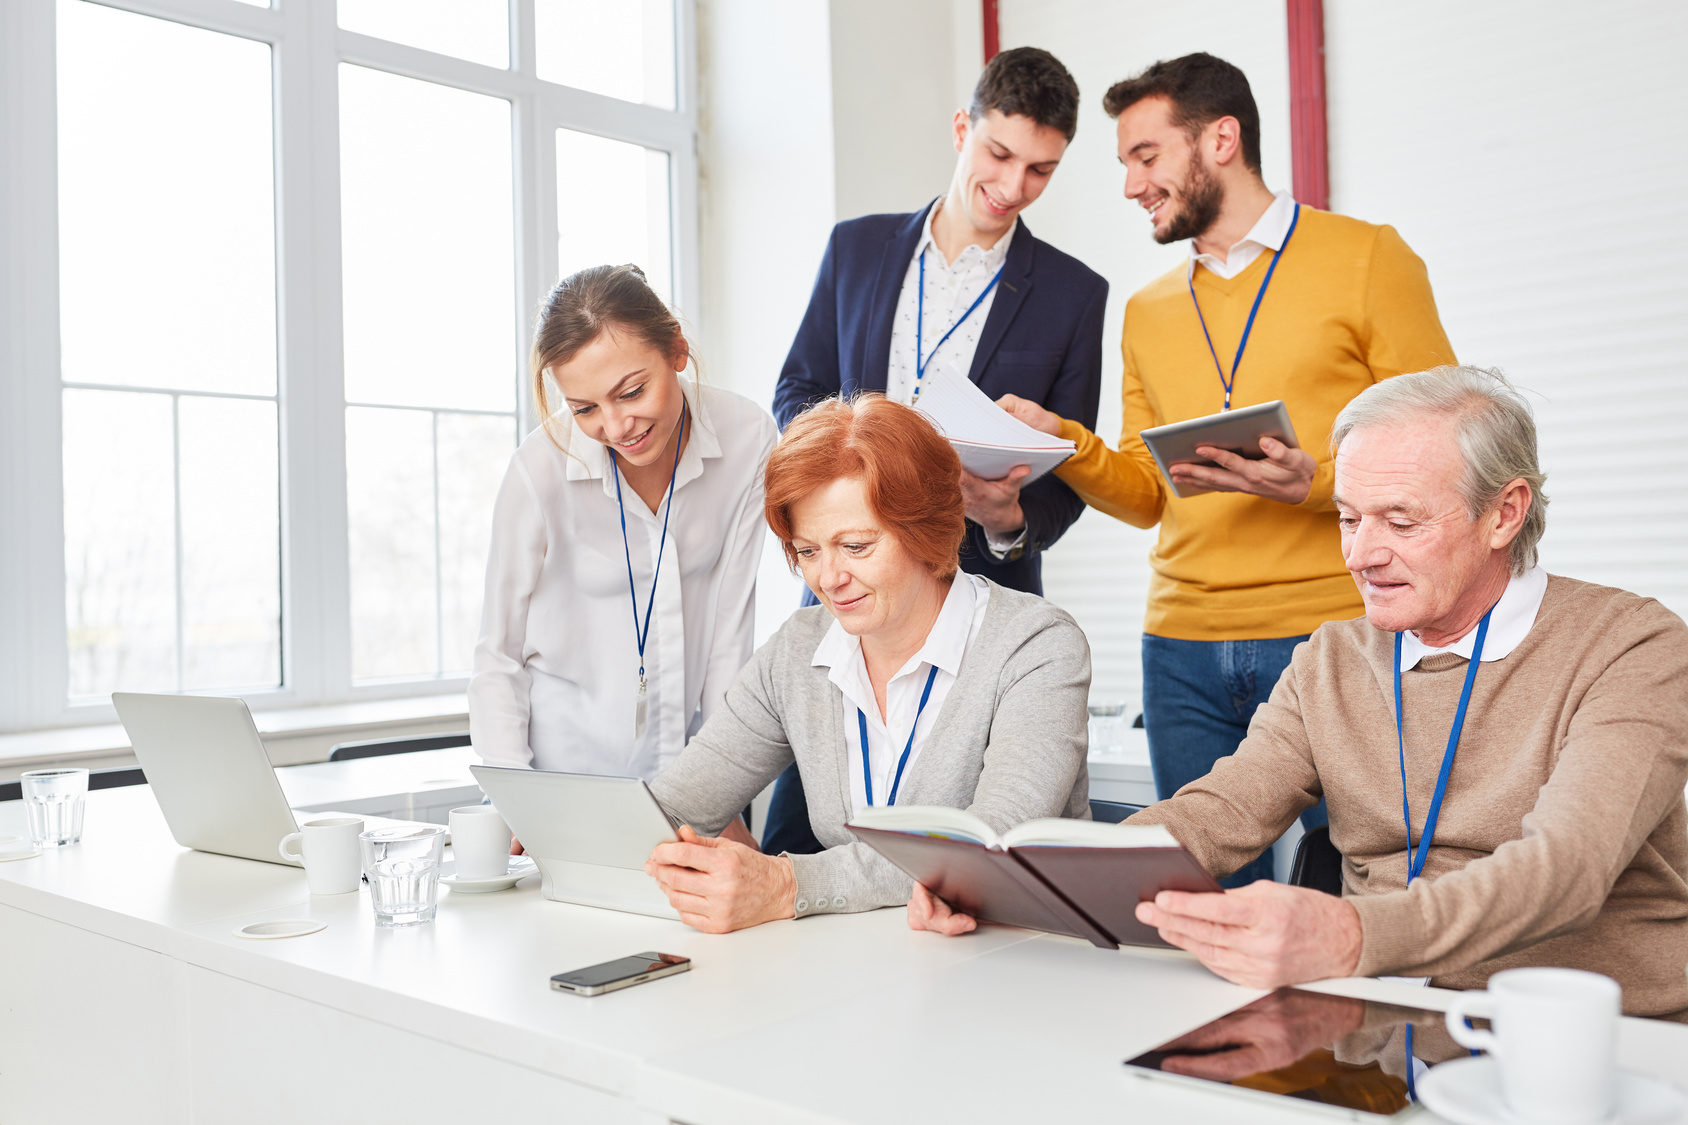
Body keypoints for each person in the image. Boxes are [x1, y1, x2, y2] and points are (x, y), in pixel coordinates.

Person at [916, 366, 1688, 1021]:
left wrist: (1354, 935)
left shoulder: (1633, 645)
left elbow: (1565, 868)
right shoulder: (1335, 657)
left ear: (1505, 513)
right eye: (1348, 518)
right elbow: (1219, 812)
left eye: (1400, 521)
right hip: (1378, 1019)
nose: (1361, 553)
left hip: (1590, 1031)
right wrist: (1023, 883)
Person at [1002, 53, 1456, 885]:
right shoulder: (1146, 311)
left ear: (1220, 139)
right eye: (1125, 165)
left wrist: (1316, 483)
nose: (1132, 185)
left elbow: (1442, 449)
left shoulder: (1368, 260)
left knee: (1364, 888)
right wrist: (1061, 438)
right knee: (1196, 904)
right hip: (1180, 647)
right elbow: (1146, 493)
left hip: (1333, 633)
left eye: (1146, 156)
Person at [765, 46, 1107, 853]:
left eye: (1041, 171)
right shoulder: (856, 250)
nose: (1013, 186)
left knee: (957, 857)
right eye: (998, 154)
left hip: (980, 606)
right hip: (848, 594)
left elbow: (1069, 482)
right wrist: (844, 461)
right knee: (800, 834)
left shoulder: (1074, 293)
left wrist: (1005, 515)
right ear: (963, 128)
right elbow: (796, 390)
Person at [643, 395, 1091, 933]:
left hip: (1021, 961)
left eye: (855, 546)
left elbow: (989, 845)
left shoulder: (1036, 644)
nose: (829, 579)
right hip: (875, 963)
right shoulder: (798, 649)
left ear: (924, 528)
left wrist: (788, 884)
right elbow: (675, 807)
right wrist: (577, 833)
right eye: (808, 551)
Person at [469, 264, 778, 781]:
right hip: (557, 781)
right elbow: (498, 654)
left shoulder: (748, 438)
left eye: (632, 392)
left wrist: (718, 788)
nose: (615, 428)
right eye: (585, 408)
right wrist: (513, 795)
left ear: (677, 352)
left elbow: (730, 635)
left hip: (683, 779)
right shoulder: (538, 470)